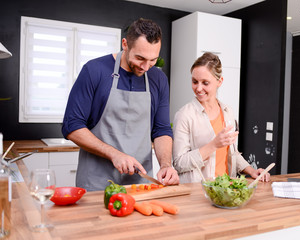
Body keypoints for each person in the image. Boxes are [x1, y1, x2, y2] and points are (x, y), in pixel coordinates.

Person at [62, 18, 179, 191]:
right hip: (96, 184)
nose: (146, 67)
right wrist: (114, 154)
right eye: (140, 58)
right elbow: (71, 126)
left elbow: (161, 129)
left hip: (140, 185)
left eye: (153, 60)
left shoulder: (159, 79)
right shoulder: (94, 70)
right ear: (125, 44)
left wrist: (165, 165)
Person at [172, 52, 271, 183]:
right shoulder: (184, 115)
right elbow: (179, 163)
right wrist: (213, 145)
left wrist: (251, 170)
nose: (198, 88)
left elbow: (231, 153)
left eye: (205, 83)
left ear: (219, 81)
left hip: (225, 188)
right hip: (197, 192)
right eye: (195, 81)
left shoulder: (227, 111)